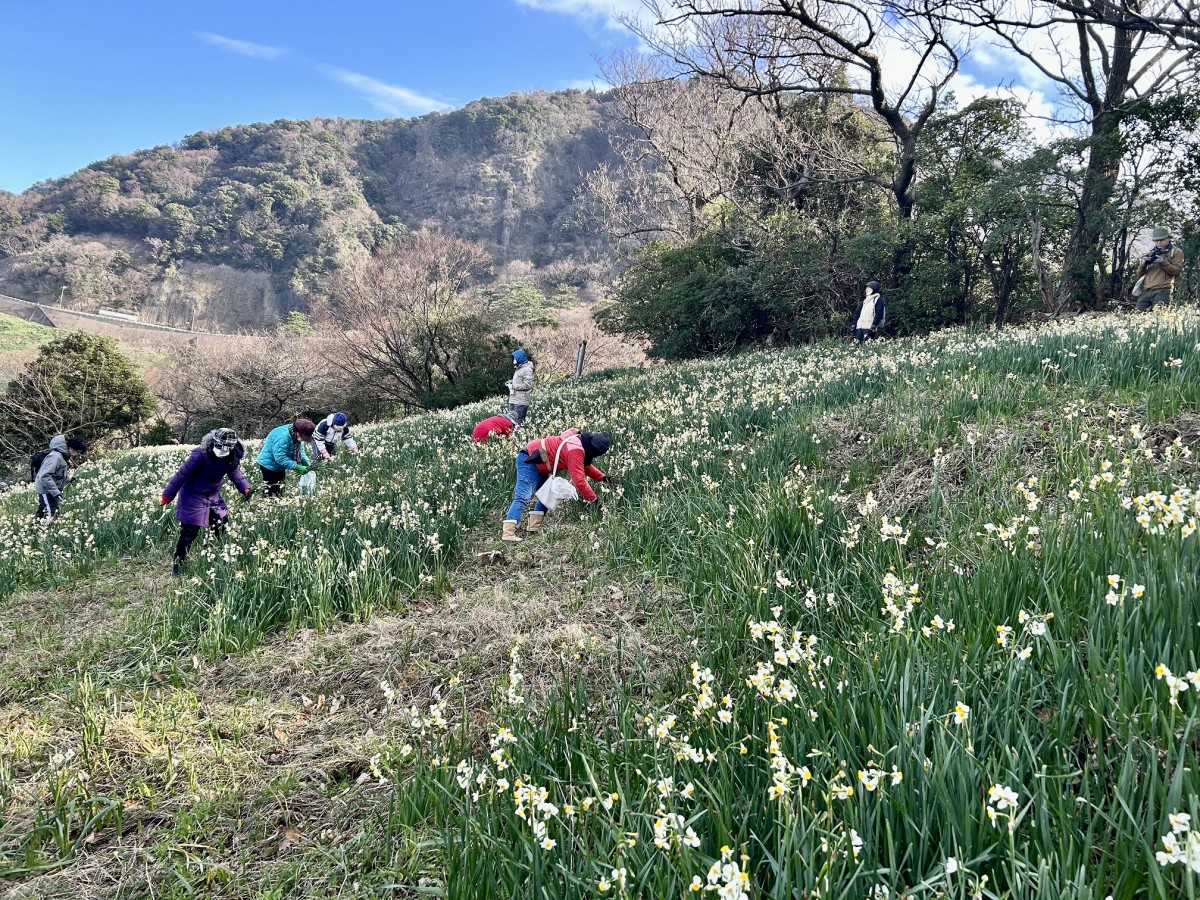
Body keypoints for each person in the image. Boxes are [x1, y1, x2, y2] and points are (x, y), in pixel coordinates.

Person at [160, 428, 251, 576]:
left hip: (213, 495)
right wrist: (167, 495)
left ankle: (211, 553)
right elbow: (181, 475)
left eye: (225, 450)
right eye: (218, 448)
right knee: (190, 530)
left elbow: (235, 473)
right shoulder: (200, 455)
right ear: (213, 443)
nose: (220, 452)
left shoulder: (232, 456)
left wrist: (245, 488)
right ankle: (178, 563)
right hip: (193, 495)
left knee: (222, 523)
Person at [501, 428, 612, 542]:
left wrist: (602, 477)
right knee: (523, 495)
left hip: (543, 464)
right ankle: (508, 532)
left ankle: (533, 527)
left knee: (547, 496)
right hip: (529, 460)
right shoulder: (575, 449)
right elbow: (579, 480)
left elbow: (583, 466)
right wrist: (594, 500)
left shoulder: (580, 442)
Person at [257, 417, 315, 497]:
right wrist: (296, 467)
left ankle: (278, 503)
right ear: (298, 431)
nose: (303, 440)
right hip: (268, 464)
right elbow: (280, 458)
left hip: (280, 466)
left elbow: (300, 451)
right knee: (271, 488)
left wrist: (305, 461)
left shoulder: (296, 436)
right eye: (304, 437)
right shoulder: (283, 436)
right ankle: (267, 505)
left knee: (280, 487)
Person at [33, 435, 87, 519]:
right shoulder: (56, 457)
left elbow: (58, 473)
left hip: (50, 489)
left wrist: (69, 479)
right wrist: (55, 492)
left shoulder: (62, 456)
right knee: (52, 513)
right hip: (46, 490)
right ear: (72, 449)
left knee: (44, 510)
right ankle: (46, 529)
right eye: (78, 452)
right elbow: (44, 475)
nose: (78, 454)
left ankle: (35, 529)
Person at [1136, 226, 1185, 312]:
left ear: (1169, 238)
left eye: (1162, 240)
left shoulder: (1176, 252)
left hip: (1163, 290)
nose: (1159, 242)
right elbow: (1139, 275)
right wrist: (1143, 264)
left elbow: (1176, 271)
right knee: (1138, 320)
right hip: (1146, 291)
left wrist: (1163, 262)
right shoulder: (1149, 253)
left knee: (1159, 319)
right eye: (1156, 240)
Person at [506, 349, 535, 424]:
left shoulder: (527, 369)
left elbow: (527, 385)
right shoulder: (518, 369)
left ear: (519, 358)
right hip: (513, 399)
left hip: (521, 401)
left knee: (517, 423)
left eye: (515, 358)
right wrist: (511, 382)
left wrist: (514, 386)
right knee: (510, 422)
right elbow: (520, 381)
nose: (513, 360)